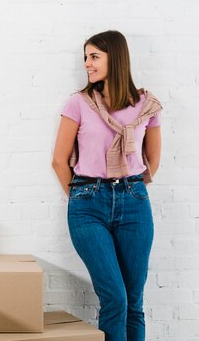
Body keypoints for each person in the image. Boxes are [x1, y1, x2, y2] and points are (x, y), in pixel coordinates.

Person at [52, 30, 162, 341]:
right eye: (85, 57)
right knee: (115, 298)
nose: (87, 63)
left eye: (94, 56)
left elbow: (152, 160)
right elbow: (59, 161)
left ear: (116, 57)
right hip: (88, 204)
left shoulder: (146, 105)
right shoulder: (79, 103)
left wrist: (130, 186)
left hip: (134, 202)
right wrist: (82, 195)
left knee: (134, 303)